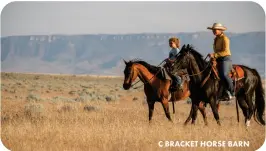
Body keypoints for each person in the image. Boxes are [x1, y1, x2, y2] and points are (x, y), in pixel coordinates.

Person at [207, 23, 235, 99]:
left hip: (225, 59)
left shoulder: (225, 39)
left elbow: (226, 51)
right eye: (213, 30)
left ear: (220, 30)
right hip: (218, 59)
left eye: (215, 30)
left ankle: (232, 91)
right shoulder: (216, 39)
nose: (213, 31)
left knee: (224, 74)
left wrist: (214, 55)